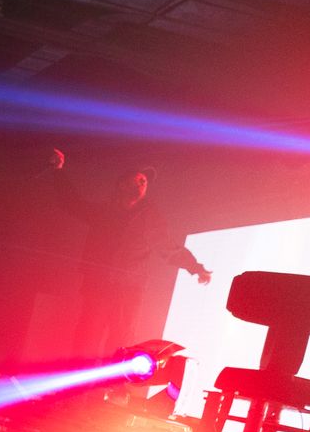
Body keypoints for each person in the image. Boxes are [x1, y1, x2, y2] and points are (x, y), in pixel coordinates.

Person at [50, 148, 210, 356]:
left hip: (128, 291)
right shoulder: (105, 214)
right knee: (87, 336)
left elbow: (166, 246)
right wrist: (58, 172)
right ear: (122, 184)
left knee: (120, 340)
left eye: (144, 182)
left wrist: (195, 267)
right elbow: (72, 203)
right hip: (99, 286)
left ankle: (114, 385)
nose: (141, 185)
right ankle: (77, 383)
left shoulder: (149, 217)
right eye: (136, 180)